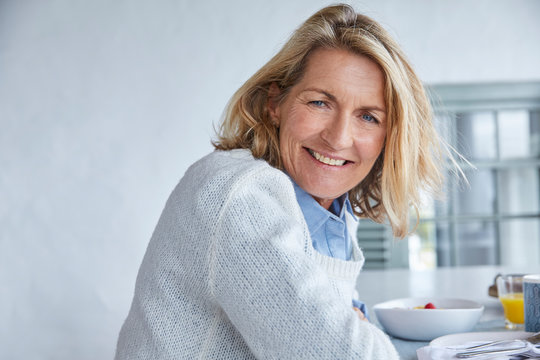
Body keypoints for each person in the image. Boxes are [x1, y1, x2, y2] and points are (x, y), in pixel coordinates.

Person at [115, 4, 446, 359]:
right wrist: (354, 329)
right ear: (276, 102)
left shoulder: (329, 210)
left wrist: (353, 328)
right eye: (320, 103)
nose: (338, 138)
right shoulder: (240, 196)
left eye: (367, 116)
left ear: (390, 135)